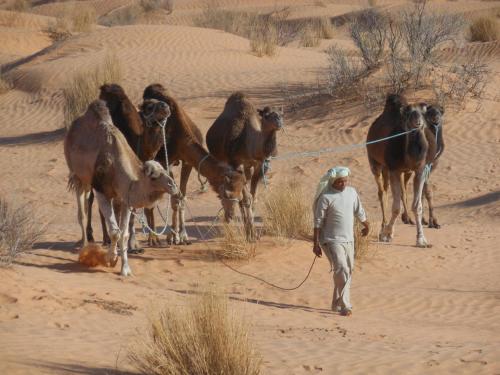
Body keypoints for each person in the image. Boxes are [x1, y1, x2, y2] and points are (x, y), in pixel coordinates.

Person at [312, 167, 369, 316]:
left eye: (345, 181)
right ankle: (346, 306)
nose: (343, 184)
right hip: (332, 240)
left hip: (349, 240)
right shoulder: (326, 197)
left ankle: (336, 303)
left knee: (347, 271)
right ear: (333, 182)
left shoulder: (352, 193)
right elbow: (317, 222)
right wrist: (316, 243)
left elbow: (359, 210)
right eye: (340, 182)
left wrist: (366, 225)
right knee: (342, 268)